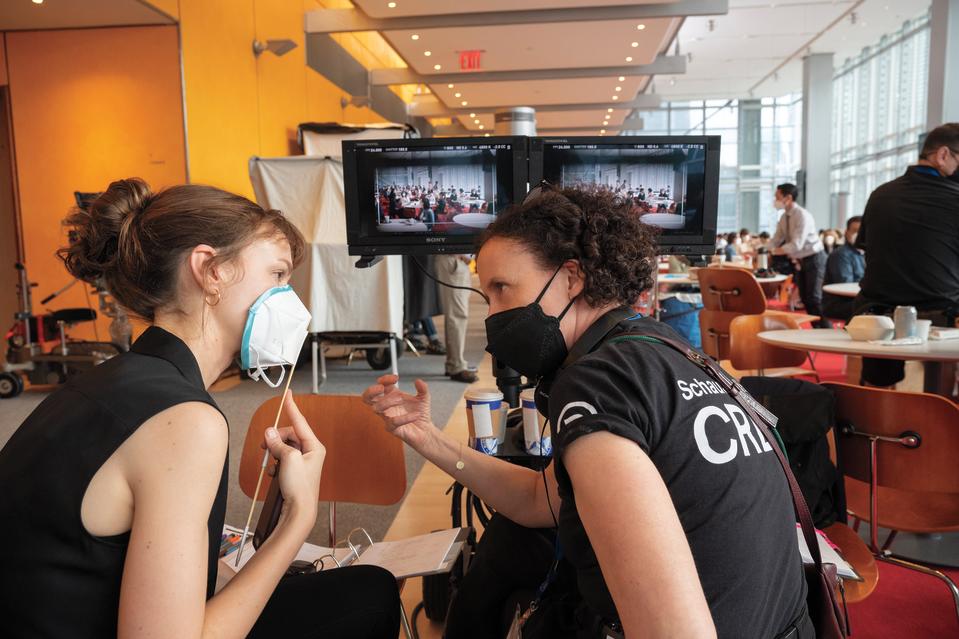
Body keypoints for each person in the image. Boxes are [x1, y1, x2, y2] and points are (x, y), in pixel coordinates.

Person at [363, 187, 811, 639]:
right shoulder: (664, 346)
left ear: (572, 278)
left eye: (502, 289)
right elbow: (542, 501)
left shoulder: (595, 386)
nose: (494, 315)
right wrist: (426, 437)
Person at [0, 178, 400, 638]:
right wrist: (298, 520)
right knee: (368, 597)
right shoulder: (186, 420)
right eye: (277, 274)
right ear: (211, 271)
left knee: (363, 590)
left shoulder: (107, 381)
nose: (291, 299)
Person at [853, 123, 959, 387]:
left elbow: (870, 254)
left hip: (877, 316)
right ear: (943, 155)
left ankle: (875, 406)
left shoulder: (879, 195)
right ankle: (943, 410)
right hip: (944, 317)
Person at [769, 183, 829, 327]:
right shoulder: (784, 217)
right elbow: (776, 239)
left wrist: (773, 251)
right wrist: (762, 249)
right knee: (806, 299)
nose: (775, 200)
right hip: (801, 260)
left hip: (814, 257)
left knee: (814, 298)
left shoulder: (802, 215)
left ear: (788, 197)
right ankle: (818, 331)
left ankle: (827, 330)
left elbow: (796, 244)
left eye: (777, 197)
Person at [435, 253, 478, 383]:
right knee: (457, 314)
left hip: (457, 259)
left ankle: (454, 362)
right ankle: (457, 366)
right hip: (453, 257)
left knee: (456, 313)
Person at [821, 216, 864, 323]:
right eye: (854, 231)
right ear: (846, 232)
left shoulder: (863, 254)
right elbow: (845, 286)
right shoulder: (841, 255)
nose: (858, 235)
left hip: (856, 300)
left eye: (861, 232)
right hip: (839, 303)